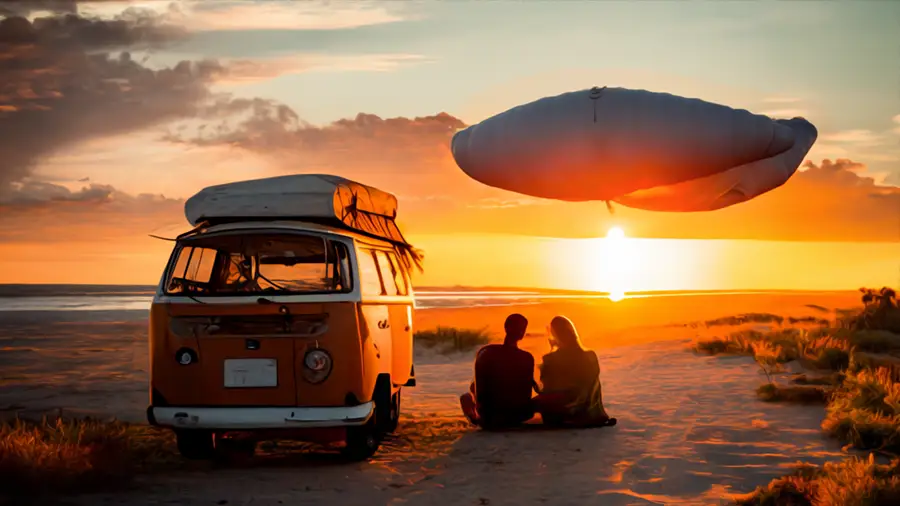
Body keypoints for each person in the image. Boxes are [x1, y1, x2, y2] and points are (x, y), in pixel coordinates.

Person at [533, 315, 617, 427]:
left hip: (567, 409)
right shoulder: (590, 355)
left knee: (532, 404)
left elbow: (547, 386)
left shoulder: (552, 358)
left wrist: (552, 352)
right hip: (589, 410)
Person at [459, 313, 538, 429]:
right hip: (518, 415)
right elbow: (527, 391)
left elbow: (480, 387)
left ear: (506, 327)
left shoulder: (487, 352)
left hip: (489, 417)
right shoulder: (526, 357)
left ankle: (473, 418)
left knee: (466, 396)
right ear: (523, 333)